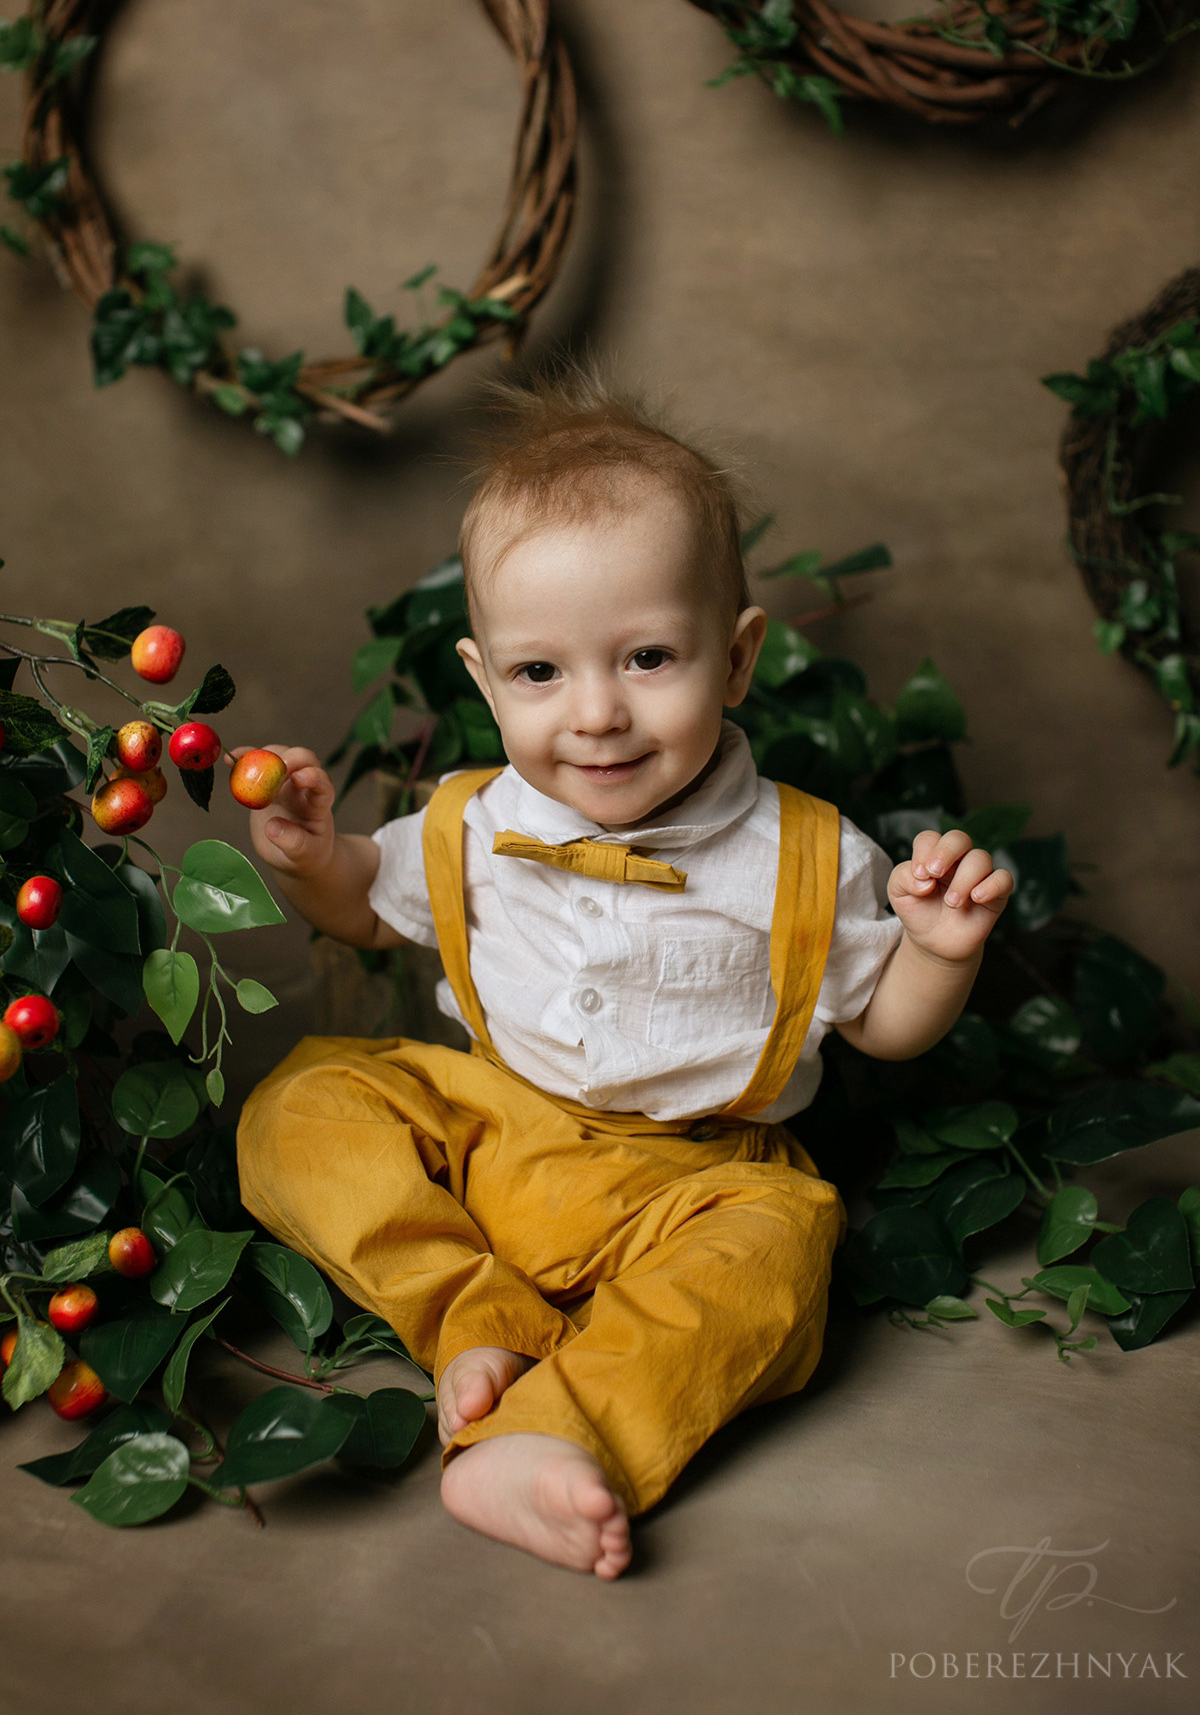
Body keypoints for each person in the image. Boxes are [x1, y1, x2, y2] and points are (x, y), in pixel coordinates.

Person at [235, 373, 1012, 1581]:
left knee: (779, 1258)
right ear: (485, 682)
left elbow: (887, 1030)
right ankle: (476, 1325)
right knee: (306, 1106)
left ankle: (551, 1431)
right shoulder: (471, 825)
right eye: (540, 674)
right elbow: (364, 917)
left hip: (699, 1184)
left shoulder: (804, 856)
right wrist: (312, 857)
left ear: (738, 657)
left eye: (648, 656)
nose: (596, 713)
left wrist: (937, 952)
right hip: (500, 1132)